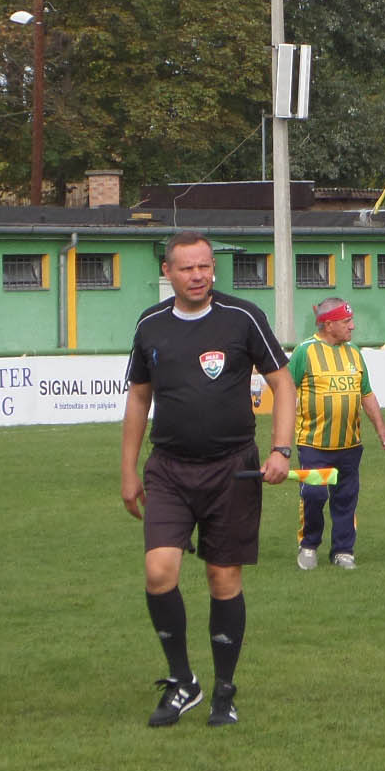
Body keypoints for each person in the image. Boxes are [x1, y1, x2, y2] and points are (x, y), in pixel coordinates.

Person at [121, 232, 292, 728]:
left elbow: (282, 384)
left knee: (223, 579)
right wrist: (128, 469)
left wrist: (281, 449)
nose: (197, 276)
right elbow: (139, 397)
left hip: (232, 469)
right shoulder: (150, 325)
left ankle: (224, 690)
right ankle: (182, 682)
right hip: (169, 469)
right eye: (187, 268)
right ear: (168, 272)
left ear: (213, 268)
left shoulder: (242, 317)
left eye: (204, 266)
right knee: (159, 572)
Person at [288, 296, 385, 570]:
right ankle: (309, 545)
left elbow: (366, 393)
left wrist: (381, 429)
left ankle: (343, 551)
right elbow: (285, 391)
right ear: (329, 324)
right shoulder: (304, 352)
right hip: (313, 444)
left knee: (346, 499)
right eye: (346, 321)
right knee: (314, 495)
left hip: (349, 444)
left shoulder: (354, 352)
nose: (352, 326)